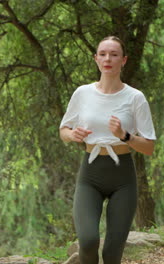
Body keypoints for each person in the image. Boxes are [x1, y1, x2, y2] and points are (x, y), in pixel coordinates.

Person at [59, 36, 156, 264]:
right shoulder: (82, 93)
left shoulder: (135, 98)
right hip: (90, 173)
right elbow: (64, 129)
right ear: (95, 59)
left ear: (123, 60)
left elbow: (149, 147)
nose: (107, 59)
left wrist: (125, 136)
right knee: (89, 240)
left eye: (113, 54)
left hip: (122, 176)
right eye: (102, 54)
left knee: (112, 252)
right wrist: (73, 135)